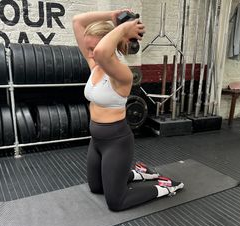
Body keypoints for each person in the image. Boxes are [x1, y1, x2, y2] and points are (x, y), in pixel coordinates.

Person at [72, 10, 184, 211]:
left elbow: (101, 52)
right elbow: (77, 21)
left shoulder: (122, 74)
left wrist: (124, 28)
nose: (89, 53)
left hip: (117, 142)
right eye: (88, 48)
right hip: (96, 140)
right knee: (96, 188)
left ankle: (164, 187)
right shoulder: (94, 65)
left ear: (109, 44)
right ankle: (139, 174)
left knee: (116, 202)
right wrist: (113, 15)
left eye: (93, 48)